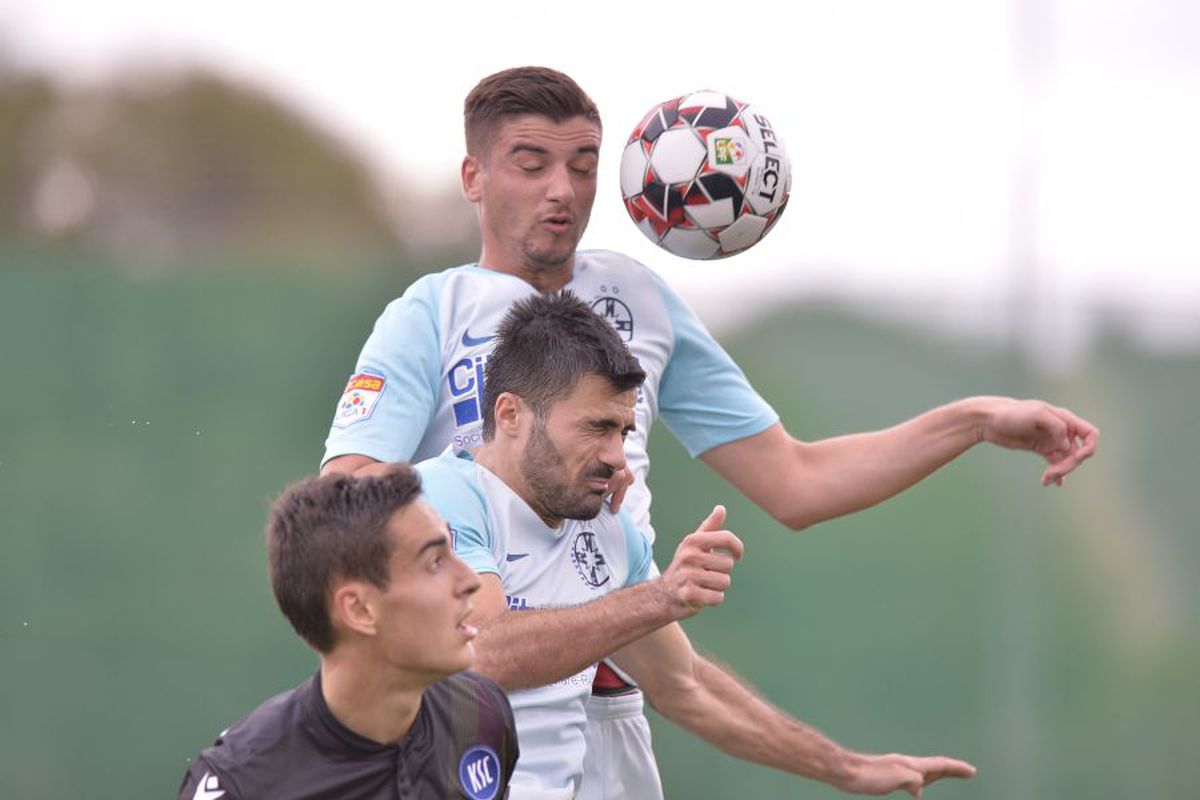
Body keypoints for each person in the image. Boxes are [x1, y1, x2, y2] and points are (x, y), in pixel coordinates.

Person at [320, 66, 1099, 799]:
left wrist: (973, 421)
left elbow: (796, 481)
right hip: (478, 705)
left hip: (622, 685)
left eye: (585, 165)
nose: (562, 190)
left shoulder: (637, 301)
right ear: (474, 178)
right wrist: (497, 506)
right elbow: (348, 497)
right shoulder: (433, 312)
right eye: (531, 163)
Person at [414, 289, 976, 798]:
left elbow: (685, 687)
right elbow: (482, 652)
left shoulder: (609, 531)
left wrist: (846, 769)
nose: (616, 454)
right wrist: (659, 598)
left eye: (622, 431)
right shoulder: (433, 499)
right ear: (511, 414)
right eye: (595, 428)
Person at [177, 466, 520, 800]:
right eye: (434, 562)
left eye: (453, 552)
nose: (470, 580)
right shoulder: (240, 783)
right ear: (359, 609)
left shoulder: (481, 713)